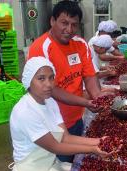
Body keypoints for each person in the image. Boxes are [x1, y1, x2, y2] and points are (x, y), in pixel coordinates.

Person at [10, 57, 116, 171]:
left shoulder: (50, 102)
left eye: (51, 78)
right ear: (29, 81)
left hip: (51, 166)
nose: (48, 84)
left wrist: (100, 141)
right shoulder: (25, 112)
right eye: (41, 79)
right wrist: (93, 149)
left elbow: (66, 137)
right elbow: (56, 147)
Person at [28, 0, 104, 162]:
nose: (69, 30)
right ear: (52, 21)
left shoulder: (80, 44)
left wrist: (98, 97)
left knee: (75, 164)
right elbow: (50, 89)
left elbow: (89, 75)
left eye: (74, 25)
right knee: (60, 166)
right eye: (64, 23)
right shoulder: (41, 48)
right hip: (52, 125)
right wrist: (85, 102)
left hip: (76, 117)